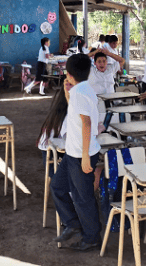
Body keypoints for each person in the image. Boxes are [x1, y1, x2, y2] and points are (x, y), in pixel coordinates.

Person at [50, 53, 102, 251]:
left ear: (69, 73)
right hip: (73, 153)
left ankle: (91, 237)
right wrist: (66, 93)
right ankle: (73, 223)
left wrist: (86, 157)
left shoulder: (80, 93)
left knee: (83, 198)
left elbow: (87, 123)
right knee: (58, 186)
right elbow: (77, 113)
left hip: (82, 154)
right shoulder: (82, 89)